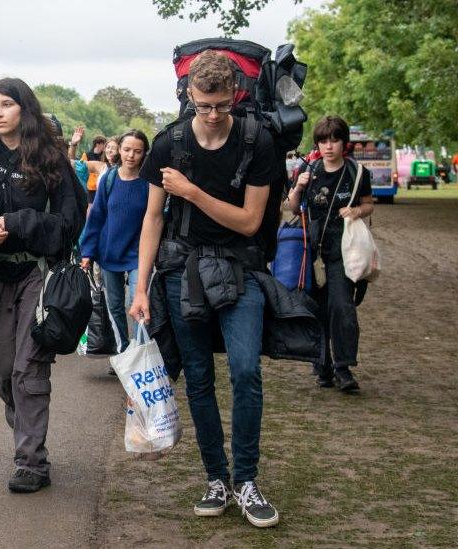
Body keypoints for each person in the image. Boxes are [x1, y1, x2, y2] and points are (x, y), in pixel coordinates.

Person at [129, 51, 280, 528]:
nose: (213, 115)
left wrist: (191, 192)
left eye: (222, 105)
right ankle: (216, 478)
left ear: (236, 95)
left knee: (245, 371)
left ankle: (247, 481)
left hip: (240, 268)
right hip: (181, 273)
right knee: (197, 378)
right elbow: (153, 218)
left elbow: (251, 221)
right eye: (203, 105)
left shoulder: (257, 141)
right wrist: (139, 286)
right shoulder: (168, 144)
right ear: (188, 96)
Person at [0, 77, 85, 494]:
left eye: (7, 104)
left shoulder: (50, 161)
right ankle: (26, 420)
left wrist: (20, 222)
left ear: (24, 110)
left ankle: (31, 461)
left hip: (36, 274)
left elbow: (70, 223)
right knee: (4, 370)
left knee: (29, 368)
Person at [287, 115, 373, 392]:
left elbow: (368, 204)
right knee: (315, 309)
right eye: (323, 140)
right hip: (311, 251)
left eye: (334, 140)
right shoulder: (308, 169)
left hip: (343, 251)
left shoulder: (356, 173)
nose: (329, 146)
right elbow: (291, 207)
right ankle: (322, 364)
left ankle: (343, 367)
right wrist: (299, 186)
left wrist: (356, 210)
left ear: (343, 143)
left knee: (342, 307)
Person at [80, 130, 150, 352]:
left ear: (144, 153)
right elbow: (97, 217)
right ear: (119, 150)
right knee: (115, 306)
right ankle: (123, 350)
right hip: (109, 252)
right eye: (127, 149)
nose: (131, 155)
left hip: (139, 254)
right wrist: (87, 252)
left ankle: (140, 352)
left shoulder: (150, 183)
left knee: (136, 303)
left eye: (137, 151)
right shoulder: (109, 179)